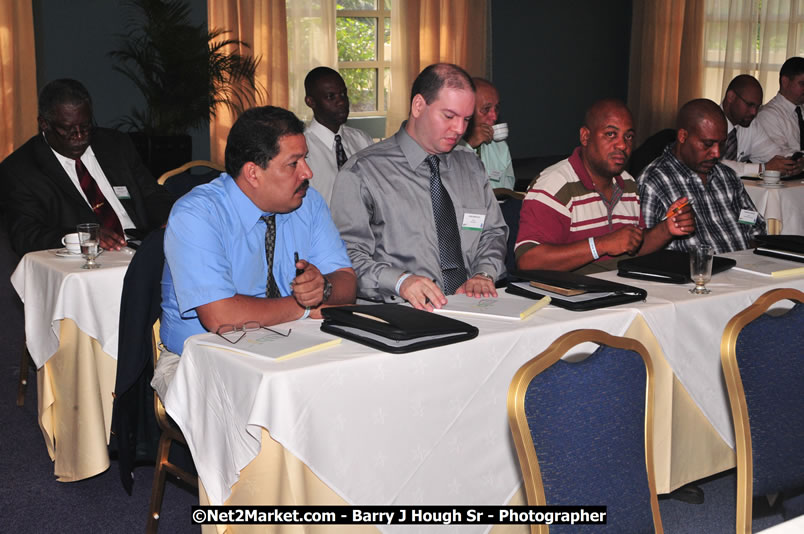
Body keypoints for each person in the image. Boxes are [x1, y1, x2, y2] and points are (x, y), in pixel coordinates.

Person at [154, 106, 357, 398]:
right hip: (200, 360)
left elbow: (347, 284)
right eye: (294, 163)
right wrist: (306, 305)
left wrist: (323, 287)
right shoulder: (198, 213)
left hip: (297, 350)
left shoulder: (308, 203)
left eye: (306, 159)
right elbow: (221, 317)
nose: (308, 172)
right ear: (253, 173)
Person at [330, 63, 508, 311]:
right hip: (399, 312)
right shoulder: (364, 171)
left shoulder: (471, 167)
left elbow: (492, 232)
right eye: (449, 116)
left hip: (472, 309)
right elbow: (345, 259)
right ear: (418, 106)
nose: (459, 129)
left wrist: (484, 274)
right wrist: (400, 281)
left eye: (466, 119)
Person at [0, 78, 175, 256]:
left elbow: (152, 194)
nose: (79, 136)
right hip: (83, 261)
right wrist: (81, 236)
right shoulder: (20, 169)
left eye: (85, 127)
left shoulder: (115, 144)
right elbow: (25, 235)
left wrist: (170, 218)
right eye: (68, 129)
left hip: (143, 250)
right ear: (44, 124)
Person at [515, 99, 694, 273]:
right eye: (611, 134)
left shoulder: (628, 183)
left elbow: (632, 247)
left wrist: (667, 228)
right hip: (572, 296)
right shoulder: (555, 185)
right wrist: (601, 245)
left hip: (623, 289)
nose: (623, 145)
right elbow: (529, 261)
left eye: (629, 136)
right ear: (585, 137)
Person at [639, 98, 766, 254]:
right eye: (708, 144)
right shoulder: (654, 183)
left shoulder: (726, 177)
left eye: (722, 143)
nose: (717, 153)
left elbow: (752, 220)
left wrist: (749, 236)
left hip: (744, 269)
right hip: (695, 275)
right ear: (682, 136)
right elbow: (643, 252)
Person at [303, 66, 374, 206]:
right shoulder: (303, 149)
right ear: (310, 102)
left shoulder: (362, 140)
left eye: (343, 94)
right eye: (331, 97)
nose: (342, 102)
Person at [720, 74, 796, 176]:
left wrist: (793, 162)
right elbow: (715, 166)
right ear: (731, 97)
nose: (754, 112)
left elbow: (774, 153)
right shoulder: (707, 123)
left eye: (757, 107)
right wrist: (762, 168)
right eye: (750, 105)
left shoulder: (751, 126)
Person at [461, 78, 516, 190]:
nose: (494, 116)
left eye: (496, 108)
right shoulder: (448, 145)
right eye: (486, 109)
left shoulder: (500, 146)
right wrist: (469, 145)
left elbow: (508, 189)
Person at [752, 56, 804, 173]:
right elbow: (782, 156)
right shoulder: (768, 115)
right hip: (779, 183)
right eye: (802, 84)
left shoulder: (800, 109)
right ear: (785, 82)